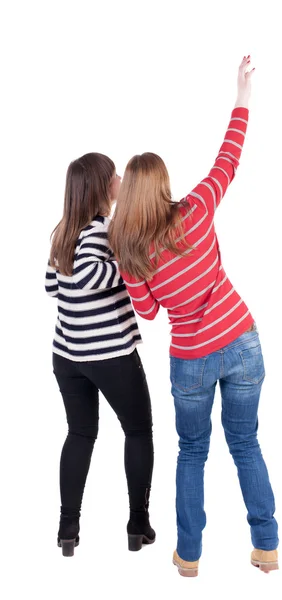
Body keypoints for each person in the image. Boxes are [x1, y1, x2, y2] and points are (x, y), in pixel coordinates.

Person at [109, 55, 279, 576]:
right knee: (246, 443)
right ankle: (267, 548)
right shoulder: (197, 209)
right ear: (162, 185)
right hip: (242, 341)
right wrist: (242, 95)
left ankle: (189, 556)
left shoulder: (130, 253)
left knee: (192, 453)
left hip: (191, 361)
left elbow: (150, 313)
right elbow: (229, 157)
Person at [45, 153, 155, 556]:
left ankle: (67, 529)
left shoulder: (62, 233)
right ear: (102, 186)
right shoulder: (108, 232)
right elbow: (130, 273)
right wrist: (123, 265)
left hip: (66, 354)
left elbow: (52, 288)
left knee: (80, 434)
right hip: (110, 354)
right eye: (115, 175)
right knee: (139, 431)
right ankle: (137, 522)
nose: (121, 179)